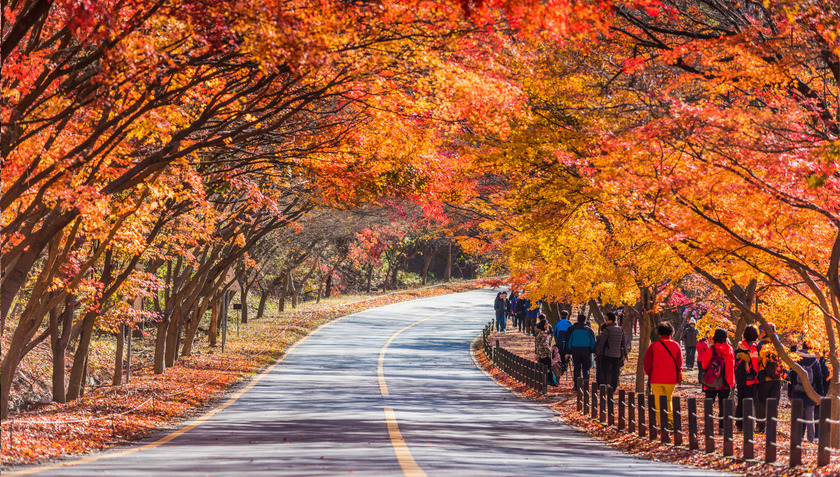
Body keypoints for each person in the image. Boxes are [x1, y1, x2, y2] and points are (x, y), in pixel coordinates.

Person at [643, 322, 683, 426]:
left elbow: (647, 362)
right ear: (671, 332)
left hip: (656, 378)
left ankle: (662, 424)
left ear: (659, 333)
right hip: (671, 378)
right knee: (668, 399)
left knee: (658, 402)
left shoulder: (653, 346)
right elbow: (680, 363)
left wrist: (649, 373)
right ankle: (669, 420)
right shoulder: (676, 345)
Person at [788, 341, 825, 443]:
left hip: (797, 392)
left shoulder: (796, 359)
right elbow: (819, 380)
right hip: (811, 392)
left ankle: (796, 438)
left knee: (796, 416)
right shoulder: (815, 362)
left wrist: (789, 393)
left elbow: (791, 377)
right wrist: (819, 395)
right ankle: (811, 439)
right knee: (810, 417)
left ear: (802, 347)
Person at [701, 328, 735, 426]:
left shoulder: (711, 350)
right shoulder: (730, 350)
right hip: (725, 382)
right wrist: (730, 382)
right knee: (724, 406)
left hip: (711, 382)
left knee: (709, 405)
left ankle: (708, 427)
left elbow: (704, 365)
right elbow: (730, 367)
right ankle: (722, 427)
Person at [756, 322, 784, 432]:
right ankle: (772, 427)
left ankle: (761, 426)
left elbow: (757, 361)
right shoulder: (779, 345)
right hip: (777, 378)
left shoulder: (761, 345)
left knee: (762, 402)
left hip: (765, 378)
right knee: (774, 404)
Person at [734, 325, 759, 430]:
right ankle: (747, 424)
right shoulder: (753, 347)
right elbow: (756, 365)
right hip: (751, 379)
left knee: (740, 400)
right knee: (749, 401)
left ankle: (739, 423)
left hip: (740, 377)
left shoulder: (740, 345)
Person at [595, 311, 628, 390]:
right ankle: (613, 387)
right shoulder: (621, 330)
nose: (606, 322)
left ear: (610, 320)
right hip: (617, 355)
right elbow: (623, 344)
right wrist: (625, 354)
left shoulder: (607, 330)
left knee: (605, 371)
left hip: (607, 354)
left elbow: (602, 343)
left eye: (606, 320)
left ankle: (606, 385)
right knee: (615, 372)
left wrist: (598, 353)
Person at [568, 313, 596, 391]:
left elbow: (569, 340)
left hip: (575, 350)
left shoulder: (573, 329)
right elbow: (593, 341)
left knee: (576, 368)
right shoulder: (588, 329)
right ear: (585, 320)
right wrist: (592, 350)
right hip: (586, 350)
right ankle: (586, 385)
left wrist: (569, 350)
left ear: (577, 319)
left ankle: (576, 386)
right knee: (586, 368)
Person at [535, 316, 556, 385]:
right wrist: (550, 351)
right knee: (548, 368)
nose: (547, 326)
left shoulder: (538, 333)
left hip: (540, 352)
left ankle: (544, 380)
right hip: (545, 353)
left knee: (542, 368)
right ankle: (551, 381)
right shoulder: (543, 334)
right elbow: (545, 345)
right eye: (546, 324)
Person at [553, 310, 573, 375]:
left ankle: (560, 366)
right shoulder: (569, 323)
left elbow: (555, 333)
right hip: (567, 341)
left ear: (561, 315)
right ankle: (565, 365)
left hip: (559, 341)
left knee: (560, 353)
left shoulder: (557, 323)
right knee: (566, 353)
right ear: (567, 316)